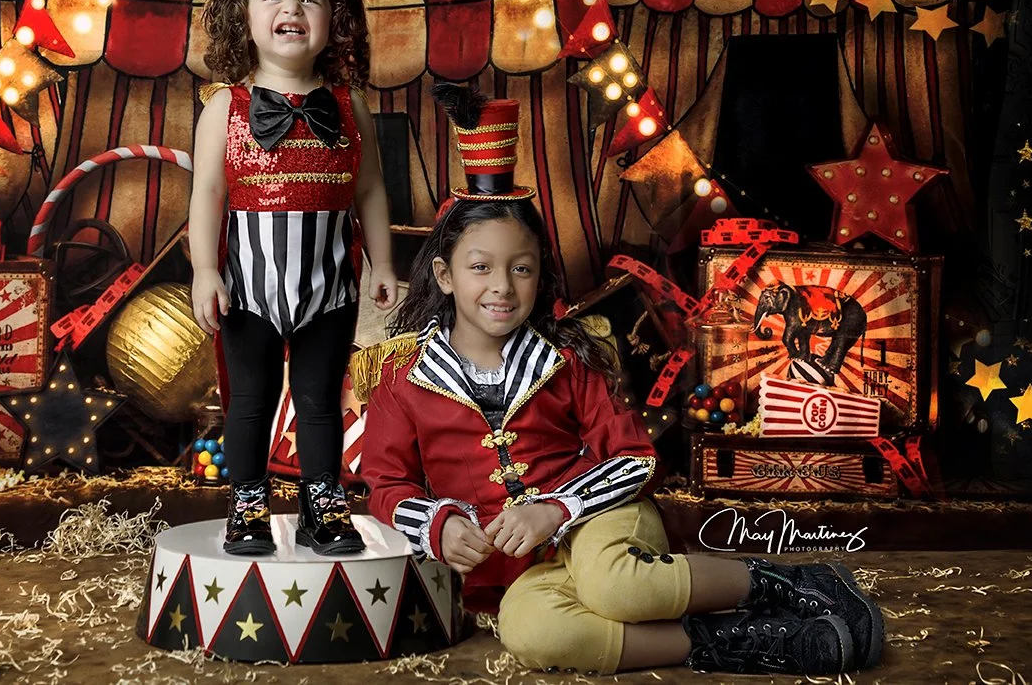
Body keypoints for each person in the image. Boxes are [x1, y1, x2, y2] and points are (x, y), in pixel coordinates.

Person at [355, 82, 885, 676]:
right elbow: (385, 482)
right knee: (533, 632)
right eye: (480, 267)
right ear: (444, 275)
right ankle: (741, 639)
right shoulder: (402, 377)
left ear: (540, 275)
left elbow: (634, 460)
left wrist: (556, 509)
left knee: (616, 586)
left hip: (599, 521)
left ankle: (788, 584)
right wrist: (439, 524)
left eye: (521, 268)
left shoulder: (567, 359)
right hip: (522, 567)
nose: (501, 286)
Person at [188, 0, 398, 558]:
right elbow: (206, 196)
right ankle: (247, 500)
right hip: (248, 289)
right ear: (242, 15)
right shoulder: (225, 107)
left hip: (329, 289)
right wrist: (203, 270)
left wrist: (383, 264)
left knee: (319, 401)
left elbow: (370, 189)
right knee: (250, 400)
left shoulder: (350, 105)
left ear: (334, 17)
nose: (292, 10)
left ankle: (322, 502)